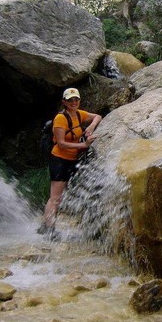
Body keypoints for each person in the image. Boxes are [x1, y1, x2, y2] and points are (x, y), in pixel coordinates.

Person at [42, 88, 102, 228]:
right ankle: (48, 229)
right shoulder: (60, 119)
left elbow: (97, 116)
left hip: (73, 159)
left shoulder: (79, 114)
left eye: (76, 99)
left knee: (66, 195)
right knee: (55, 198)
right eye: (70, 100)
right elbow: (61, 143)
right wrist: (84, 145)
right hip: (59, 160)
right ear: (64, 102)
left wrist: (91, 126)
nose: (74, 102)